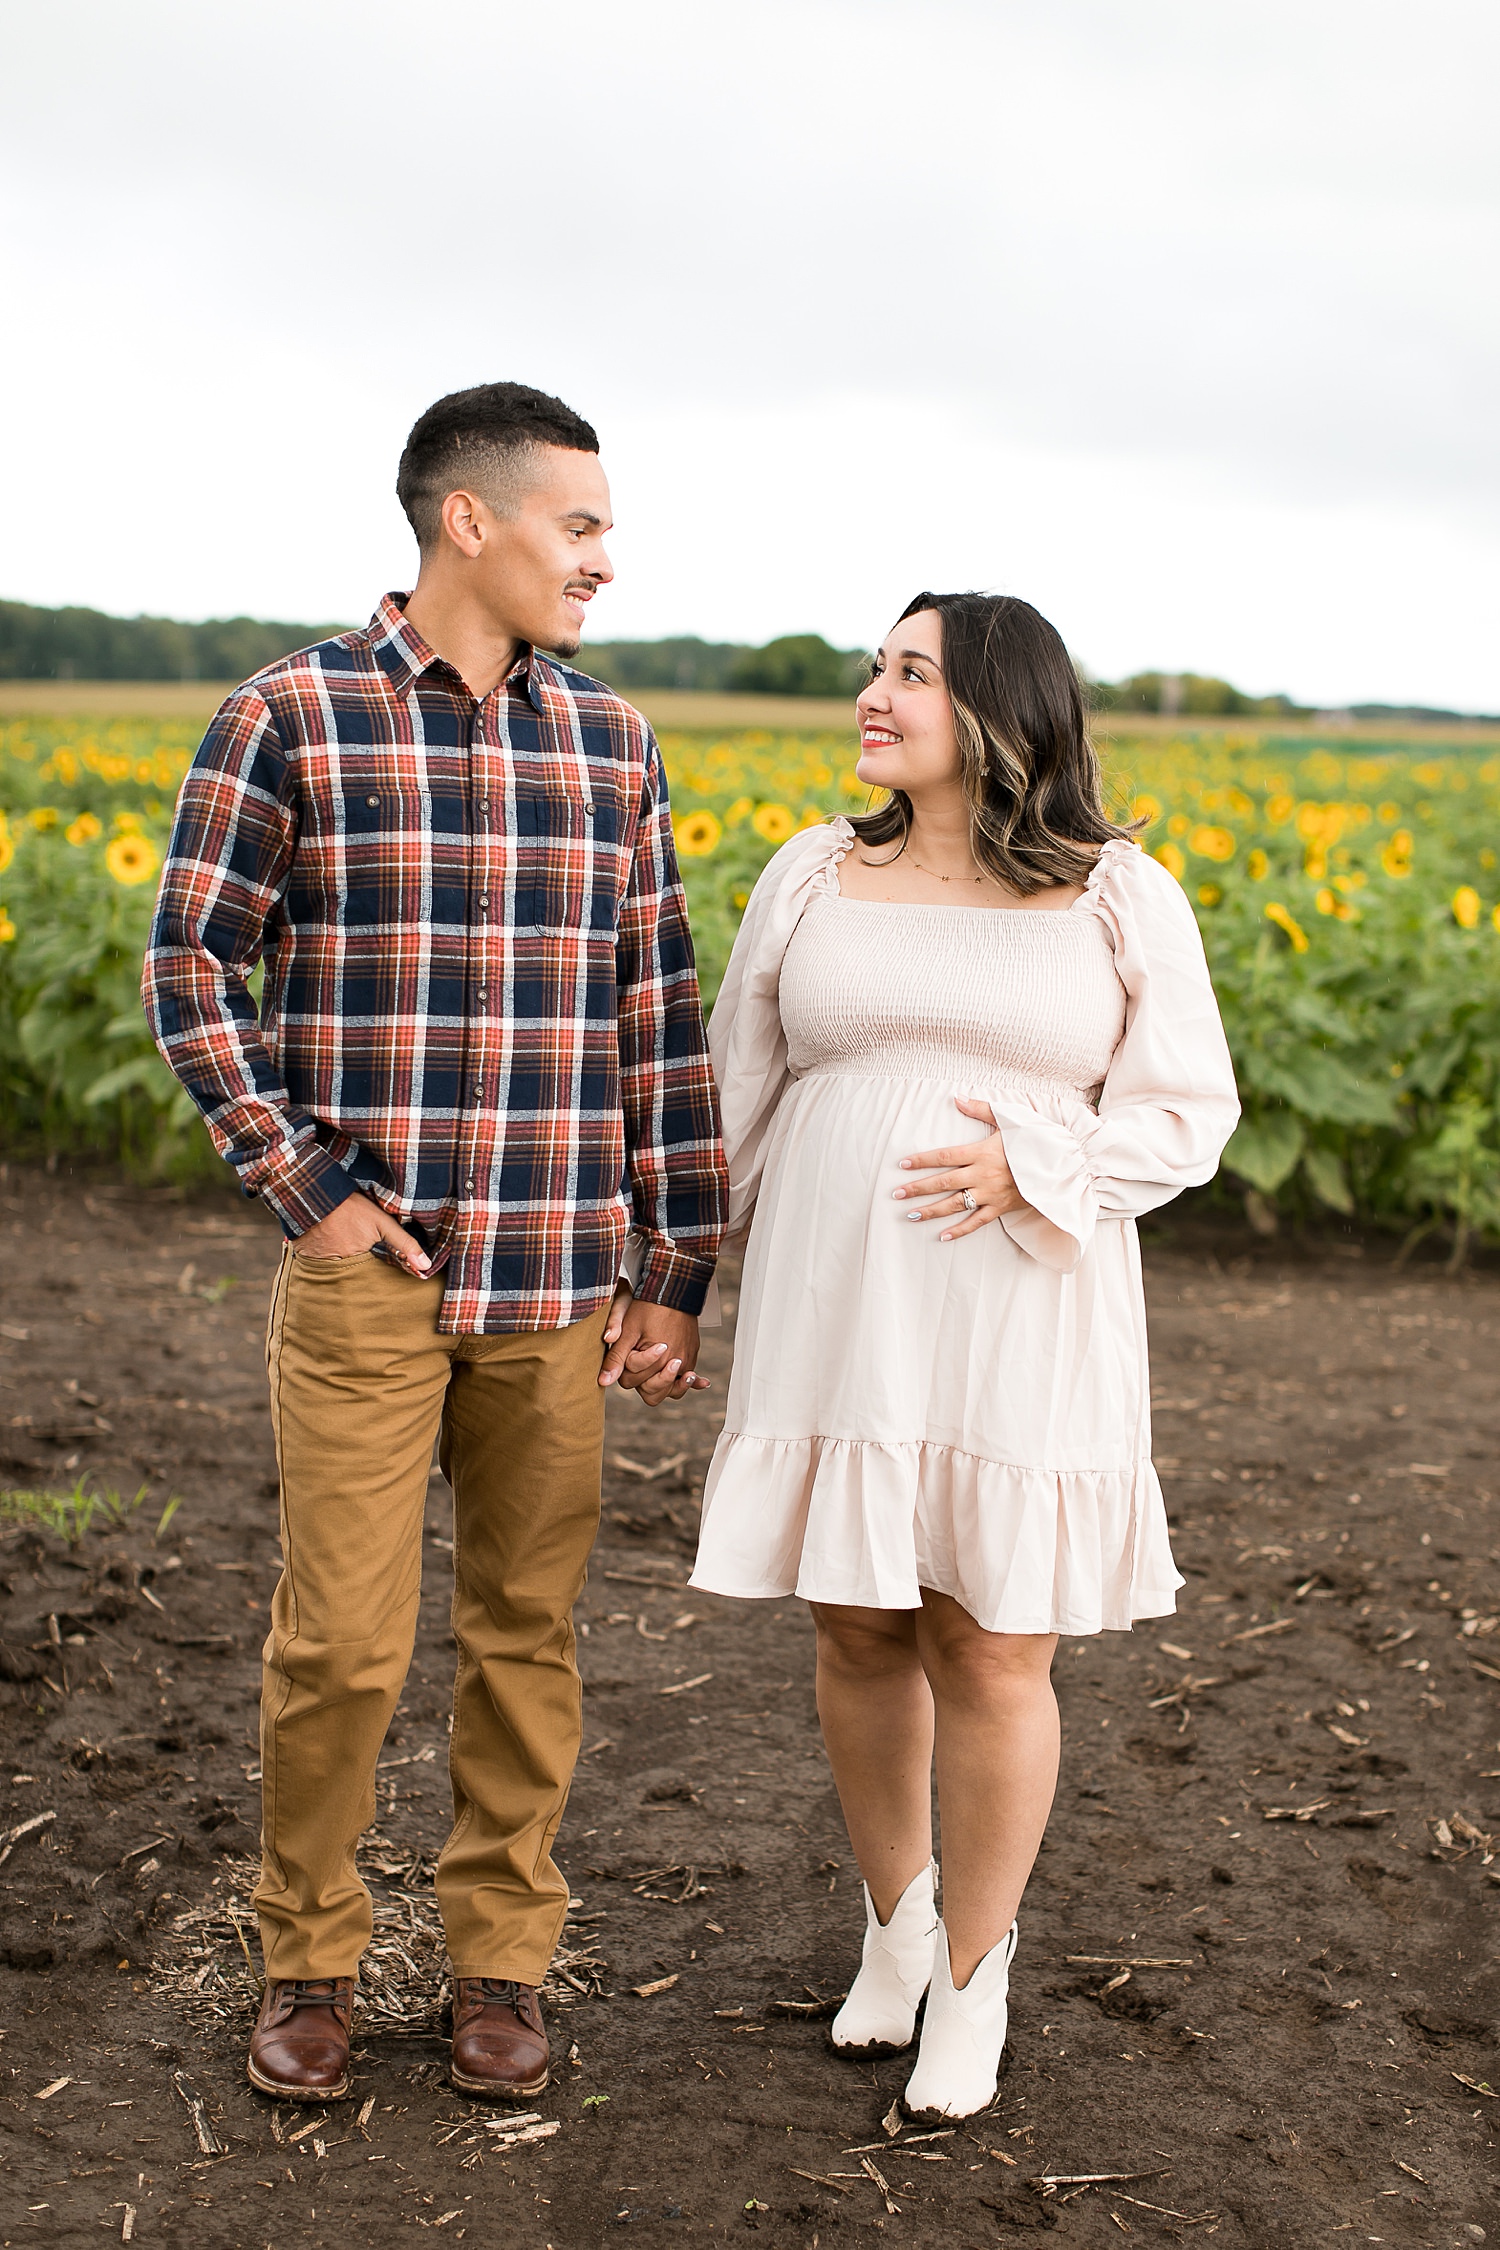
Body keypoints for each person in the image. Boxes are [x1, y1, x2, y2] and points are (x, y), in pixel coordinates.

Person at [143, 382, 728, 2104]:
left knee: (526, 1633)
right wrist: (303, 1188)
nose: (604, 561)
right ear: (468, 520)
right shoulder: (293, 715)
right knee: (339, 1642)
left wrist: (671, 1263)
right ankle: (309, 1955)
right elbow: (192, 969)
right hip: (369, 1284)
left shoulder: (610, 745)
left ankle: (500, 1967)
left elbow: (653, 1011)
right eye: (582, 524)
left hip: (555, 1280)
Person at [690, 591, 1238, 2119]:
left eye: (910, 672)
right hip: (838, 1303)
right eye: (877, 666)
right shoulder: (812, 873)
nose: (874, 692)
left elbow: (1187, 1109)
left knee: (991, 1638)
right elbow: (738, 1082)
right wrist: (669, 1276)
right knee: (859, 1624)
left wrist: (1040, 1165)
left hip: (1019, 1303)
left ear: (1000, 705)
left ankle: (979, 1979)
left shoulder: (1120, 894)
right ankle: (895, 1924)